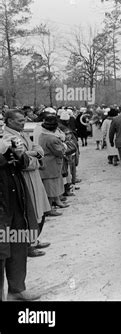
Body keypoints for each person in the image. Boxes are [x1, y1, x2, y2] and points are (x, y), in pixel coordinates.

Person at [2, 110, 53, 258]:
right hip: (24, 177)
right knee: (30, 212)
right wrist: (33, 154)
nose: (23, 123)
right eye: (19, 121)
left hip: (34, 175)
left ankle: (34, 240)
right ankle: (28, 246)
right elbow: (22, 160)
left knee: (40, 210)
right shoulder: (8, 137)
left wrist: (32, 153)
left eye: (24, 120)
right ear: (9, 121)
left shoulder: (21, 133)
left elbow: (37, 148)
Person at [0, 137, 41, 301]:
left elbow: (24, 165)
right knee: (1, 251)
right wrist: (2, 156)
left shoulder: (6, 140)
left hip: (15, 203)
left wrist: (19, 154)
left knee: (18, 246)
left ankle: (16, 289)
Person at [38, 115, 69, 210]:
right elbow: (60, 151)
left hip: (48, 163)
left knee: (54, 183)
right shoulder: (52, 139)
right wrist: (64, 145)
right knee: (51, 186)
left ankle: (57, 201)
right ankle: (50, 207)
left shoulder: (43, 135)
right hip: (51, 164)